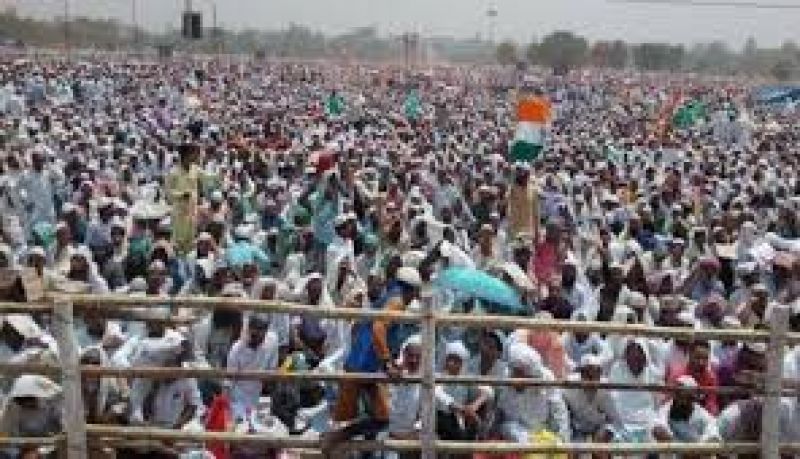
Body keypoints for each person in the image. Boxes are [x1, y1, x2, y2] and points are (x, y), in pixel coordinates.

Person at [495, 342, 571, 443]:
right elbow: (500, 410)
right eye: (515, 371)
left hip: (544, 431)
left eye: (520, 373)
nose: (516, 375)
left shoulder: (545, 379)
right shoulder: (505, 379)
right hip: (516, 431)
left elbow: (559, 411)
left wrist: (563, 440)